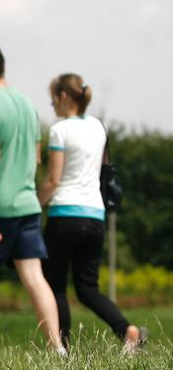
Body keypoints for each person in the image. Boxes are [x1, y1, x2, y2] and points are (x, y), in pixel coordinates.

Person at [0, 41, 64, 353]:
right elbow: (36, 159)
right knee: (34, 276)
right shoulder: (28, 105)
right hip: (28, 205)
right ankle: (56, 347)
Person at [38, 73, 147, 352]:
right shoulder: (98, 127)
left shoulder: (60, 130)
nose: (52, 106)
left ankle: (61, 349)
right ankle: (128, 330)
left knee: (55, 286)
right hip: (95, 215)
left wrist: (34, 205)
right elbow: (104, 170)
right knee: (87, 288)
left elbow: (53, 180)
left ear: (63, 97)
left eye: (53, 101)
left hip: (65, 214)